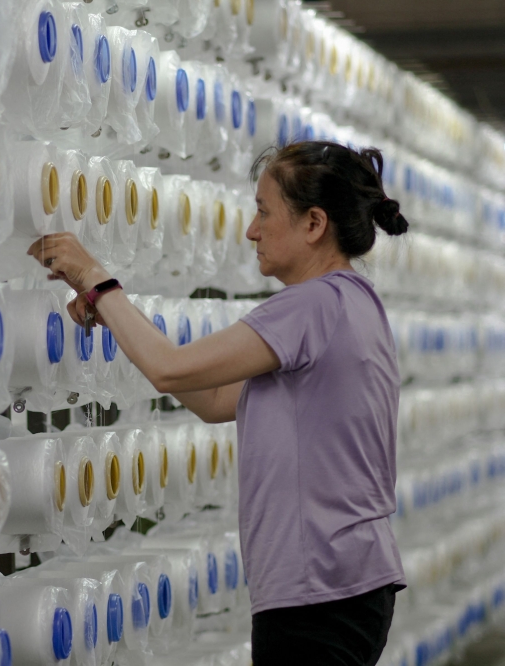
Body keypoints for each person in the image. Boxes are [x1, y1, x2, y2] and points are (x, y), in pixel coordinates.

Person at [28, 141, 409, 666]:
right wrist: (112, 309)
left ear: (314, 223)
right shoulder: (353, 302)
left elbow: (170, 369)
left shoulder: (310, 305)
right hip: (342, 585)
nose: (252, 230)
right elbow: (209, 396)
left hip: (317, 591)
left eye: (263, 211)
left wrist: (96, 279)